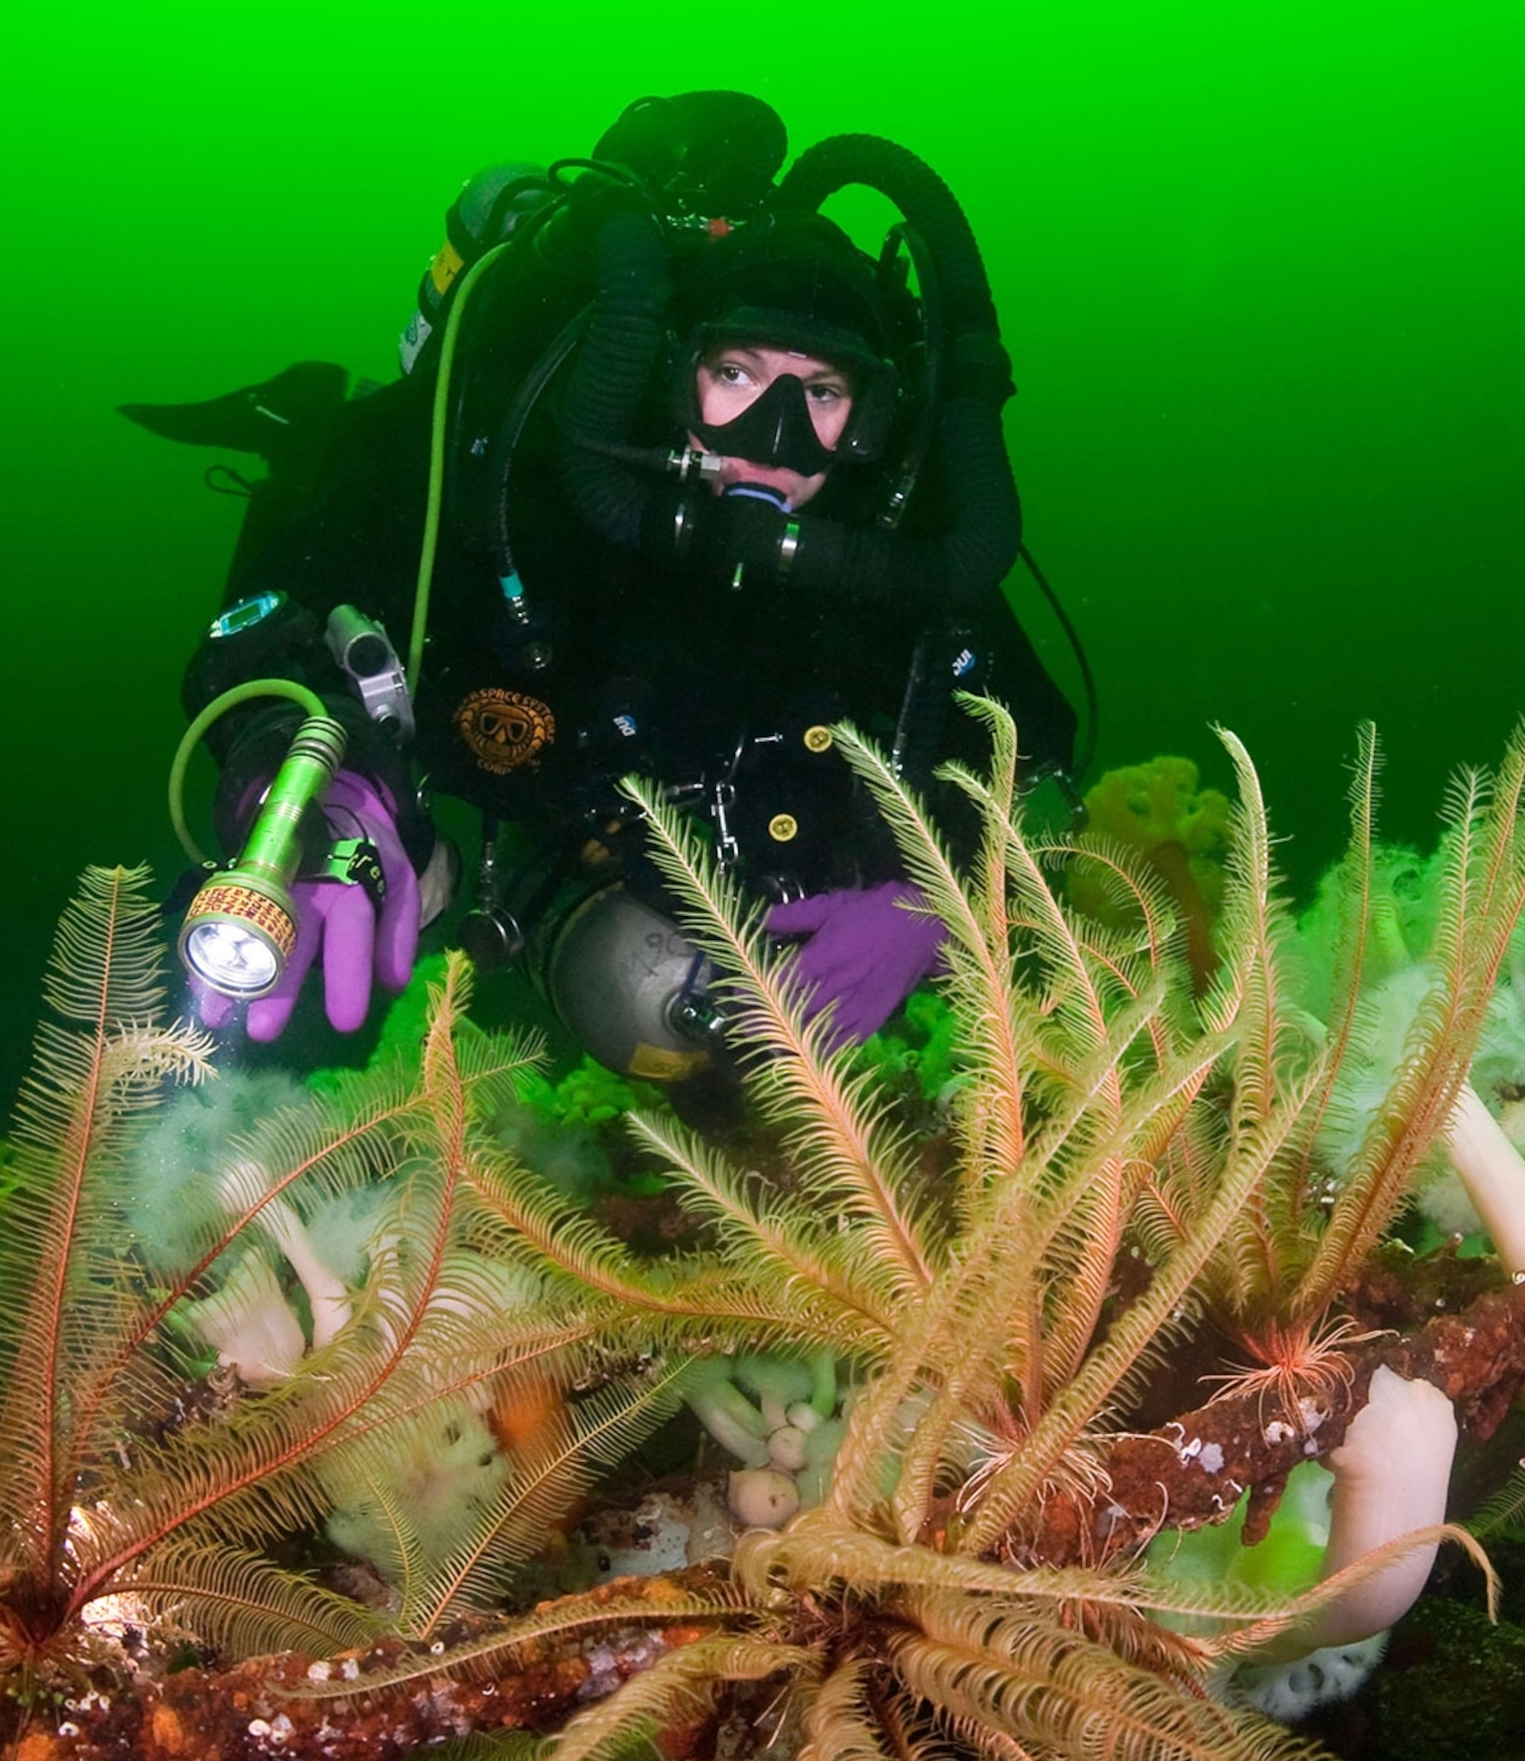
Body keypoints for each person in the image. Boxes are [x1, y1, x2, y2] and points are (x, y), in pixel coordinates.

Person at [133, 92, 1077, 1081]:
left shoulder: (897, 544)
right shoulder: (536, 488)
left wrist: (942, 896)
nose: (774, 437)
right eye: (737, 373)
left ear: (874, 420)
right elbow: (288, 600)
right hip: (531, 828)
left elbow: (1042, 766)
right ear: (672, 371)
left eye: (824, 394)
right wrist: (305, 779)